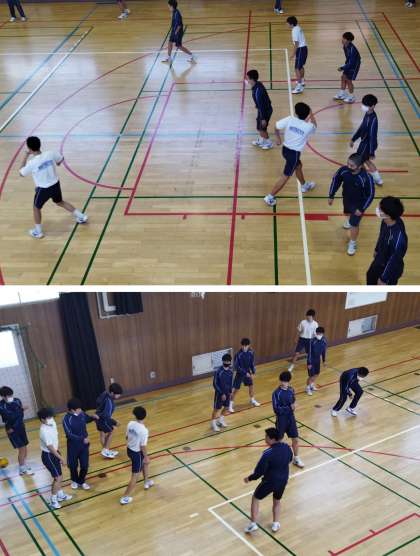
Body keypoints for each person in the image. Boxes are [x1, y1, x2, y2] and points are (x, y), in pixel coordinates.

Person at [19, 136, 88, 239]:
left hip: (43, 189)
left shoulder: (32, 163)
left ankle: (38, 232)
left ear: (29, 148)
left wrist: (25, 155)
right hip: (55, 184)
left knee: (36, 208)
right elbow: (60, 160)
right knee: (60, 202)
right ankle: (81, 216)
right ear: (39, 144)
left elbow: (21, 173)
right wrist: (55, 164)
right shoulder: (50, 153)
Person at [264, 102, 317, 206]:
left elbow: (276, 126)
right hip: (294, 154)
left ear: (296, 113)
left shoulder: (290, 119)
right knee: (286, 176)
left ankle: (304, 186)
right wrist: (311, 114)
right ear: (307, 114)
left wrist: (278, 138)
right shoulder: (309, 127)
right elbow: (315, 125)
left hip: (285, 150)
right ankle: (270, 197)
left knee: (299, 166)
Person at [244, 428, 293, 534]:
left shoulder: (267, 453)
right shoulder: (286, 447)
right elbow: (290, 459)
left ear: (272, 439)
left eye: (266, 436)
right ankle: (275, 524)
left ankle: (253, 524)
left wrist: (249, 478)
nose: (265, 438)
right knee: (277, 500)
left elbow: (259, 472)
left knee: (256, 498)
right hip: (283, 480)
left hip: (269, 482)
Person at [328, 153, 375, 256]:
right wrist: (331, 195)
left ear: (360, 166)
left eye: (352, 165)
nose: (348, 167)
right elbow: (336, 180)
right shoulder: (344, 170)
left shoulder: (366, 178)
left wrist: (361, 209)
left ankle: (352, 243)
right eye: (348, 164)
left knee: (354, 224)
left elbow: (370, 195)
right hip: (347, 200)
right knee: (347, 215)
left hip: (358, 205)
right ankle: (350, 221)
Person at [367, 196, 407, 285]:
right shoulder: (385, 221)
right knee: (369, 276)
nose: (377, 209)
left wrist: (383, 279)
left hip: (389, 271)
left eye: (380, 209)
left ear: (388, 215)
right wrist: (377, 249)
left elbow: (394, 260)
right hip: (380, 260)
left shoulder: (398, 240)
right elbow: (381, 235)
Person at [38, 407, 72, 509]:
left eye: (51, 416)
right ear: (42, 419)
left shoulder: (52, 422)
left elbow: (55, 442)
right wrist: (61, 458)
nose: (51, 418)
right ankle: (53, 500)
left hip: (55, 452)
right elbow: (50, 447)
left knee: (59, 476)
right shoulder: (44, 431)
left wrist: (59, 453)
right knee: (58, 478)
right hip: (48, 455)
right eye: (48, 417)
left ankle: (60, 494)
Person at [62, 398, 99, 490]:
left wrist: (93, 417)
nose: (81, 410)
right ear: (72, 410)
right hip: (73, 446)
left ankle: (81, 481)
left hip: (84, 445)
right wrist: (82, 439)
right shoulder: (66, 419)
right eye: (78, 409)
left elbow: (86, 419)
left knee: (85, 465)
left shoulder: (81, 413)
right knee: (73, 465)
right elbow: (69, 434)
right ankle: (74, 480)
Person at [120, 406, 154, 505]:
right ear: (145, 416)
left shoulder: (130, 423)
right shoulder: (144, 430)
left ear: (135, 415)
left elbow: (127, 437)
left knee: (145, 464)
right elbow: (143, 446)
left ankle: (146, 482)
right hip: (137, 454)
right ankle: (125, 497)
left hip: (129, 450)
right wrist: (146, 457)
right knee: (135, 476)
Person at [272, 371, 304, 468]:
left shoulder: (291, 390)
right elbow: (276, 409)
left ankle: (296, 458)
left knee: (295, 439)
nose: (284, 383)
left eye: (285, 381)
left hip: (291, 418)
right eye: (282, 381)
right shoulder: (276, 393)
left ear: (288, 381)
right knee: (278, 441)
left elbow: (293, 401)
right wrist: (289, 407)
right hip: (281, 420)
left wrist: (294, 405)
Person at [350, 94, 383, 186]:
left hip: (368, 145)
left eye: (365, 105)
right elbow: (361, 127)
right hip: (364, 143)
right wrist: (353, 139)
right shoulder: (367, 114)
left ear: (372, 106)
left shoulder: (373, 119)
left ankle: (368, 178)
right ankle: (377, 179)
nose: (363, 106)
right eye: (363, 104)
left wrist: (372, 152)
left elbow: (372, 136)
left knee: (360, 161)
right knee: (365, 161)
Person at [0, 386, 33, 475]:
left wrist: (20, 410)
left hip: (21, 427)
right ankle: (22, 468)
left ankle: (24, 464)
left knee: (25, 447)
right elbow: (9, 416)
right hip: (12, 430)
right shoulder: (1, 406)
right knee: (21, 448)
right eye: (8, 396)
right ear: (3, 396)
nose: (11, 397)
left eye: (11, 395)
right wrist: (21, 409)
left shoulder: (17, 400)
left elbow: (20, 415)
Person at [229, 338, 260, 412]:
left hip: (248, 373)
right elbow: (237, 367)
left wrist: (253, 371)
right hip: (240, 374)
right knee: (236, 390)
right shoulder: (238, 354)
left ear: (248, 345)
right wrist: (245, 373)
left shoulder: (251, 352)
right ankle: (230, 405)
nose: (244, 347)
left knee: (251, 386)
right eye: (243, 345)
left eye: (245, 346)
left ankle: (252, 400)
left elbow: (252, 363)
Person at [246, 70, 273, 150]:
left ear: (252, 79)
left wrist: (264, 118)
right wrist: (257, 104)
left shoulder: (258, 91)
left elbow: (262, 106)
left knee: (262, 128)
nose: (247, 80)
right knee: (259, 126)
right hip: (261, 109)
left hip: (265, 111)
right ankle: (262, 140)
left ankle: (269, 143)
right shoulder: (256, 85)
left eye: (248, 78)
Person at [95, 382, 123, 459]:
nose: (119, 396)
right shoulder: (109, 402)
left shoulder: (104, 393)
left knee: (102, 434)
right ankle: (106, 450)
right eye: (118, 394)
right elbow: (106, 416)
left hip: (98, 417)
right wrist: (115, 422)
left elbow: (97, 402)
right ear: (112, 393)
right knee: (111, 431)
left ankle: (106, 451)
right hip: (102, 420)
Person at [334, 32, 361, 103]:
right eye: (342, 38)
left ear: (349, 40)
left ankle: (351, 97)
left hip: (354, 65)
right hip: (349, 63)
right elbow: (348, 58)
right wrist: (345, 65)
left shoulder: (352, 49)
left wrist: (342, 67)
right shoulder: (345, 46)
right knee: (343, 77)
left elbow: (352, 62)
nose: (342, 40)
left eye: (344, 38)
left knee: (349, 80)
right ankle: (342, 93)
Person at [211, 353, 233, 432]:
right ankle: (213, 423)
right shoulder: (218, 371)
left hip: (227, 393)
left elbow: (230, 382)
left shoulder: (230, 371)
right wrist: (221, 393)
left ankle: (220, 420)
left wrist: (230, 392)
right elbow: (215, 384)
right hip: (219, 394)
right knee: (217, 409)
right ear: (223, 361)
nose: (227, 362)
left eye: (228, 361)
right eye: (225, 361)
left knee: (226, 407)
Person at [287, 16, 308, 94]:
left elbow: (296, 43)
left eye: (287, 23)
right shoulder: (298, 27)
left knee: (296, 68)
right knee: (300, 66)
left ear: (291, 24)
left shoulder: (294, 31)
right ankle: (302, 81)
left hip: (300, 50)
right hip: (304, 48)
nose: (287, 24)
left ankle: (299, 87)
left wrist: (293, 54)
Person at [306, 327, 327, 395]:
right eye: (318, 333)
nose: (319, 334)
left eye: (321, 333)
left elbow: (324, 351)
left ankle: (311, 385)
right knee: (311, 376)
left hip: (318, 360)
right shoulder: (312, 341)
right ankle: (308, 388)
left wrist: (324, 361)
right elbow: (309, 352)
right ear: (316, 333)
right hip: (311, 360)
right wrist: (309, 363)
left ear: (323, 333)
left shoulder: (324, 340)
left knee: (316, 374)